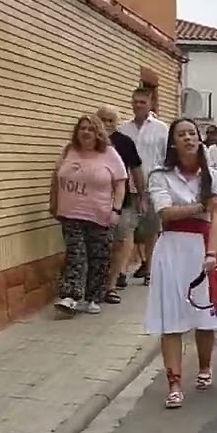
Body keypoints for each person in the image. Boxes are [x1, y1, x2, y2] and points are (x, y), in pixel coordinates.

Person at [143, 118, 217, 409]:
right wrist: (200, 207)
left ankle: (205, 368)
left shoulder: (214, 176)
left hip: (204, 247)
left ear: (199, 139)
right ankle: (174, 382)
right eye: (181, 134)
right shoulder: (160, 175)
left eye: (192, 133)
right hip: (171, 249)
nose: (188, 139)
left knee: (205, 317)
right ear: (173, 142)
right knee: (172, 319)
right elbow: (165, 213)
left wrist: (212, 254)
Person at [49, 113, 128, 316]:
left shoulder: (109, 154)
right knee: (76, 254)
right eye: (82, 128)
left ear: (98, 133)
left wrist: (116, 210)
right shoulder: (69, 151)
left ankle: (93, 297)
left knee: (98, 256)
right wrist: (54, 203)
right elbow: (56, 178)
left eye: (91, 129)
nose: (86, 132)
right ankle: (70, 296)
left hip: (99, 214)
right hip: (70, 213)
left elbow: (120, 183)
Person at [118, 87, 169, 286]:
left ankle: (149, 269)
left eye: (142, 102)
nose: (138, 105)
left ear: (150, 104)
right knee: (126, 228)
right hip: (128, 187)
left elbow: (166, 157)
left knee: (151, 230)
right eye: (135, 102)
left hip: (153, 186)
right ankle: (122, 271)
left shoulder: (161, 129)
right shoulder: (123, 129)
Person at [95, 106, 144, 303]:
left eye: (110, 121)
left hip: (121, 202)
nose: (106, 125)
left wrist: (142, 195)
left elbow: (136, 170)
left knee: (120, 242)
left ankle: (111, 285)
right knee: (97, 245)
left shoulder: (124, 142)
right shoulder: (88, 142)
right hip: (92, 204)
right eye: (103, 120)